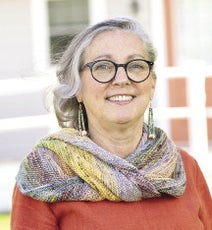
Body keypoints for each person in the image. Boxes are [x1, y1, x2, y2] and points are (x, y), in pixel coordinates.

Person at [11, 17, 212, 230]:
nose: (121, 78)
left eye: (135, 65)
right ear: (77, 88)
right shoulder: (45, 174)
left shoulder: (183, 167)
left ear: (152, 84)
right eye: (103, 66)